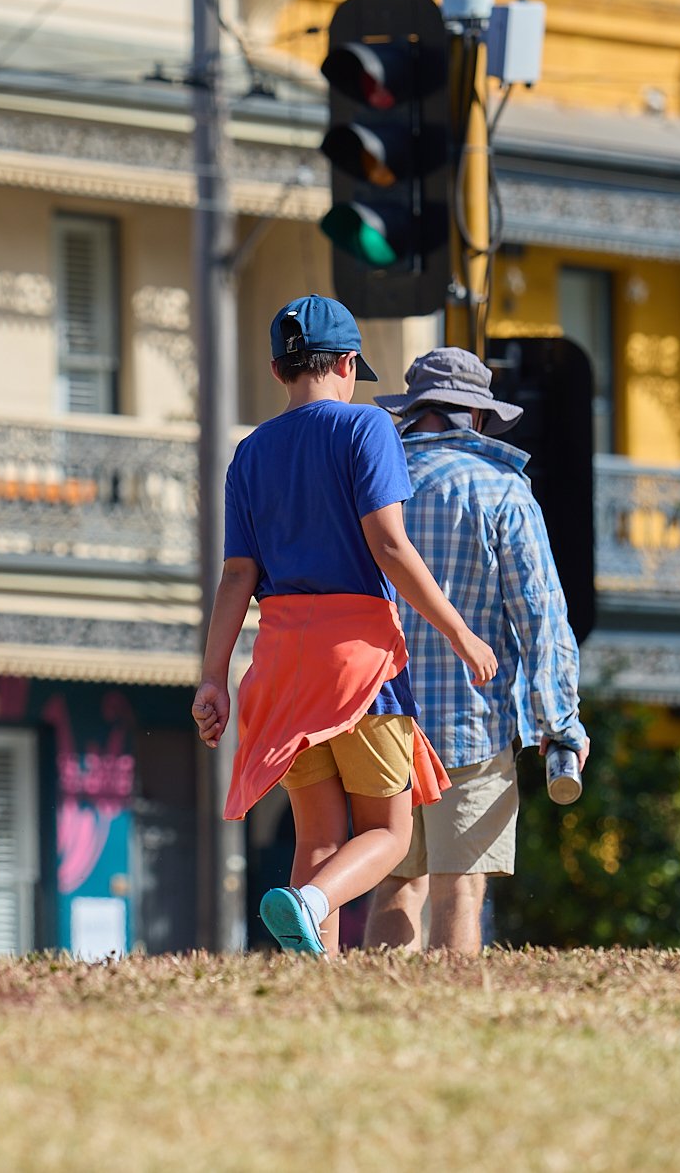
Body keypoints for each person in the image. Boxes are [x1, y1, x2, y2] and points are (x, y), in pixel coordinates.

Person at [193, 295, 497, 957]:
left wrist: (213, 676)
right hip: (358, 660)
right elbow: (389, 546)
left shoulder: (249, 454)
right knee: (388, 832)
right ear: (350, 363)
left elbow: (237, 576)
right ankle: (309, 901)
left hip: (280, 662)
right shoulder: (367, 430)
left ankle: (310, 973)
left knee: (318, 838)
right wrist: (459, 632)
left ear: (279, 370)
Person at [360, 349, 586, 955]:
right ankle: (450, 1029)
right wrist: (557, 722)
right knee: (459, 890)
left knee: (393, 885)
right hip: (473, 722)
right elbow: (540, 615)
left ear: (413, 412)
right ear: (478, 418)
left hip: (378, 716)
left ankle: (380, 1019)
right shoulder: (503, 491)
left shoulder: (373, 484)